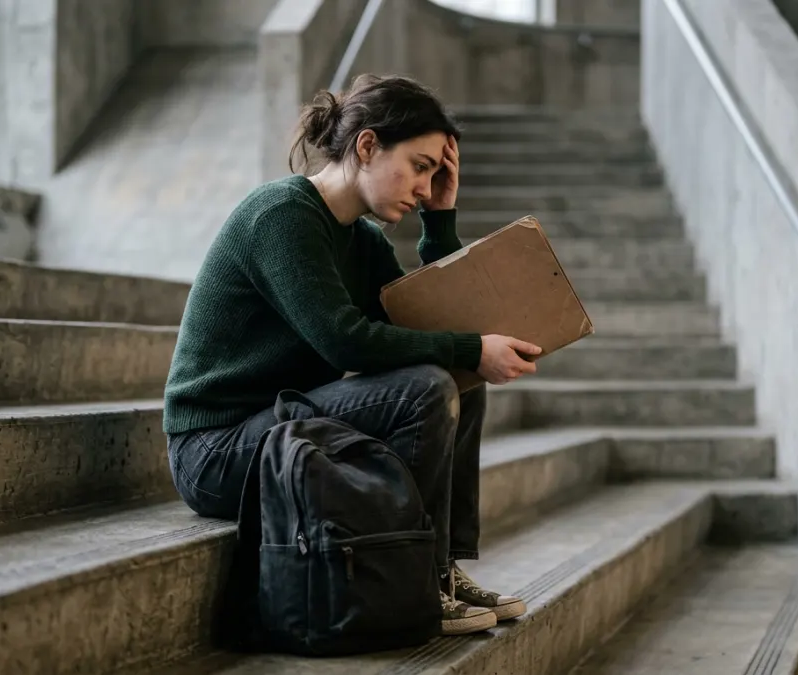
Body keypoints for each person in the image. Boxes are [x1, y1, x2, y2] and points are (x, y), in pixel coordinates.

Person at [163, 73, 542, 637]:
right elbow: (345, 340)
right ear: (366, 146)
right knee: (433, 383)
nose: (424, 184)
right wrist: (468, 348)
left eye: (436, 172)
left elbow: (427, 330)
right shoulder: (283, 215)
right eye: (419, 166)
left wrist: (439, 222)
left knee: (459, 373)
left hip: (283, 429)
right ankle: (417, 575)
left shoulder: (362, 240)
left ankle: (439, 567)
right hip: (217, 452)